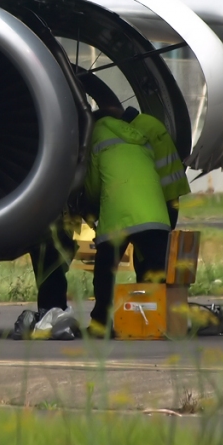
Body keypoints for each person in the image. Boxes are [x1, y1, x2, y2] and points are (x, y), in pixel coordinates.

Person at [85, 105, 174, 337]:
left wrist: (89, 205)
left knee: (106, 270)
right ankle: (160, 323)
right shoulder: (138, 136)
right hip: (155, 214)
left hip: (118, 215)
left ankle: (101, 324)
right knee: (157, 271)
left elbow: (94, 187)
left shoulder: (97, 136)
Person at [123, 106, 191, 282]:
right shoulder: (149, 122)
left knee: (150, 252)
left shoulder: (135, 131)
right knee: (161, 249)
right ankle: (158, 295)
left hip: (156, 200)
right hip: (172, 194)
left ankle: (151, 296)